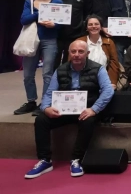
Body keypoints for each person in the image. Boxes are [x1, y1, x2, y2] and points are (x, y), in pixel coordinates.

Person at [24, 40, 114, 179]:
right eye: (73, 51)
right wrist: (46, 107)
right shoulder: (60, 69)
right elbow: (49, 92)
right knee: (41, 119)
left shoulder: (98, 68)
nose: (76, 54)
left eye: (80, 51)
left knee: (88, 122)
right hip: (64, 110)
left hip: (87, 110)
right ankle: (45, 160)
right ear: (69, 53)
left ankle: (76, 159)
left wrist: (94, 109)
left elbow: (108, 91)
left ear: (87, 53)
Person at [14, 0, 63, 116]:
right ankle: (31, 101)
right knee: (28, 74)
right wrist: (40, 13)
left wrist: (54, 24)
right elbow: (23, 20)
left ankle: (45, 103)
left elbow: (61, 23)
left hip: (50, 40)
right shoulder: (29, 2)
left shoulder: (57, 2)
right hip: (31, 40)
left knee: (48, 73)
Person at [52, 0, 92, 69]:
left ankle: (68, 87)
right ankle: (52, 87)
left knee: (70, 66)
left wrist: (82, 28)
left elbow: (87, 12)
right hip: (55, 34)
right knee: (52, 66)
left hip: (75, 35)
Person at [76, 15, 120, 90]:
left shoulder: (109, 42)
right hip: (83, 80)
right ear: (86, 28)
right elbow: (73, 63)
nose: (93, 26)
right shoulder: (79, 42)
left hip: (104, 80)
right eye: (90, 24)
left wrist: (112, 82)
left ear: (101, 27)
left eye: (96, 24)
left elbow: (114, 64)